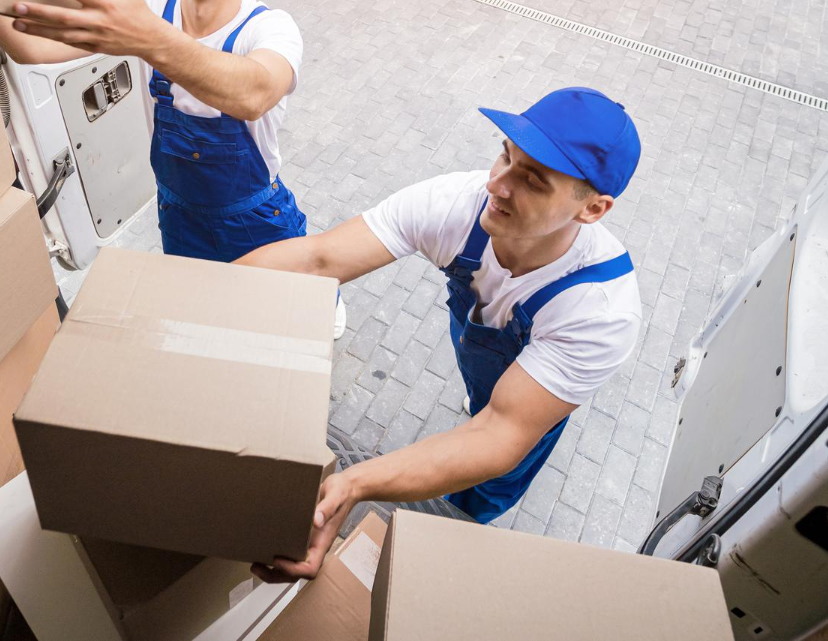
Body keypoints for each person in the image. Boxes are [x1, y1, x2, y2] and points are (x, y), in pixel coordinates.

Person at [238, 87, 644, 580]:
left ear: (593, 210)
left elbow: (500, 433)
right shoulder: (456, 204)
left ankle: (463, 523)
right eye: (505, 155)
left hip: (527, 395)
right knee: (484, 401)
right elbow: (317, 259)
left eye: (533, 181)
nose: (498, 184)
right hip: (484, 354)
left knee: (491, 475)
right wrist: (184, 302)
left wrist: (355, 483)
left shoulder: (599, 312)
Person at [0, 0, 346, 334]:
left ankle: (327, 299)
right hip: (179, 216)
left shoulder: (269, 28)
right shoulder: (151, 4)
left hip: (254, 221)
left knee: (291, 318)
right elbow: (30, 48)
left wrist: (149, 39)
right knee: (207, 320)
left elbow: (254, 93)